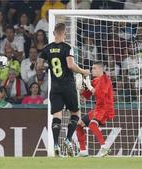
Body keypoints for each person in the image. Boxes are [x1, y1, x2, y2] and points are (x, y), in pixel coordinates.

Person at [40, 23, 90, 157]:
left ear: (53, 33)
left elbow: (39, 66)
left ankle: (56, 144)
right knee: (75, 113)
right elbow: (70, 65)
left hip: (55, 87)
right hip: (68, 85)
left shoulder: (46, 48)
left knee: (57, 115)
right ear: (65, 33)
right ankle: (68, 140)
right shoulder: (68, 47)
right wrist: (84, 71)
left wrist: (48, 65)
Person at [76, 62, 115, 157]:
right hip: (98, 109)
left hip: (105, 108)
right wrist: (80, 90)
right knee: (79, 124)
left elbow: (100, 95)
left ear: (100, 70)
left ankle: (104, 147)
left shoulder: (105, 80)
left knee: (92, 125)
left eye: (94, 68)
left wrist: (89, 86)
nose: (92, 70)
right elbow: (85, 96)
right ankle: (83, 151)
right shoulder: (95, 81)